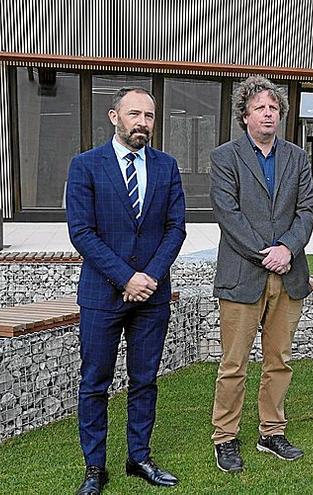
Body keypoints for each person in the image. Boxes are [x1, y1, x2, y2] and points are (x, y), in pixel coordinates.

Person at [66, 86, 186, 494]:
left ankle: (139, 457)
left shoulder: (167, 166)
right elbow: (82, 232)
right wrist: (126, 278)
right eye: (134, 114)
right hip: (102, 295)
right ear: (113, 116)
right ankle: (94, 468)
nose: (142, 123)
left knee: (145, 379)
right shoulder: (86, 165)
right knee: (95, 383)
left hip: (152, 295)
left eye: (149, 116)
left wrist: (148, 277)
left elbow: (175, 229)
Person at [209, 75, 313, 472]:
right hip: (243, 274)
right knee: (234, 363)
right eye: (260, 108)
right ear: (244, 115)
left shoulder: (297, 157)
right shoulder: (225, 157)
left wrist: (287, 248)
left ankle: (272, 432)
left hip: (289, 274)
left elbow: (307, 209)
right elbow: (228, 216)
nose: (268, 113)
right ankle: (225, 437)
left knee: (279, 360)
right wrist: (265, 254)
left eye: (273, 107)